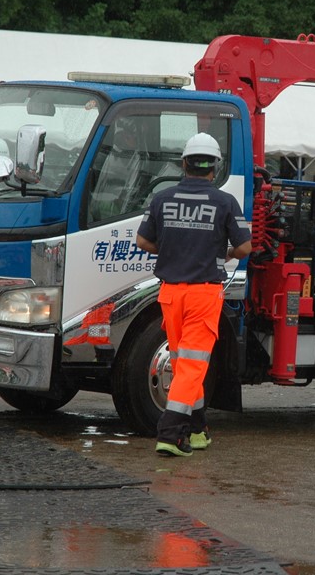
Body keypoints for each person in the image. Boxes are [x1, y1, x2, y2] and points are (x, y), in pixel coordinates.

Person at [135, 132, 252, 457]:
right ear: (215, 167)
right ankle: (170, 435)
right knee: (192, 366)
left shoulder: (161, 198)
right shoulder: (224, 202)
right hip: (203, 296)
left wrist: (170, 250)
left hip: (170, 295)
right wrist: (227, 253)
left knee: (184, 363)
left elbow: (142, 241)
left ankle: (198, 431)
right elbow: (245, 246)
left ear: (184, 164)